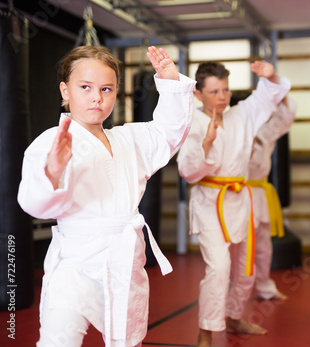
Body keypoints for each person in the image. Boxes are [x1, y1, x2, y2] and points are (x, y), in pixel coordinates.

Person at [17, 45, 196, 347]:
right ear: (65, 90)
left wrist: (170, 83)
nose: (97, 97)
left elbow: (168, 133)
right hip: (76, 263)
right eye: (85, 87)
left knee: (128, 342)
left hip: (124, 261)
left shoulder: (128, 139)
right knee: (57, 340)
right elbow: (33, 204)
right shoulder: (51, 142)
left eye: (106, 89)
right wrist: (53, 170)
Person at [177, 61, 290, 347]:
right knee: (219, 267)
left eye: (226, 89)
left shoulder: (242, 115)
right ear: (199, 95)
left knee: (244, 265)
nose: (223, 97)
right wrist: (206, 144)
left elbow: (270, 95)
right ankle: (206, 333)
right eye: (214, 91)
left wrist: (271, 75)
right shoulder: (194, 125)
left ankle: (235, 316)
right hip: (210, 202)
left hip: (240, 199)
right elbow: (187, 171)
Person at [247, 96, 296, 301]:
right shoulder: (231, 132)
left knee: (263, 246)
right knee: (238, 248)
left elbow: (285, 118)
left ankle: (265, 286)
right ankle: (232, 291)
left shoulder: (264, 134)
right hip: (238, 193)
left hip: (260, 193)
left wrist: (280, 91)